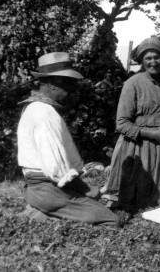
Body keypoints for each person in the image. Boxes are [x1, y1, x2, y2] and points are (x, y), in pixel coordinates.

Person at [17, 52, 120, 226]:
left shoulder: (35, 108)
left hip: (38, 188)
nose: (72, 90)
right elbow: (56, 168)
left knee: (90, 205)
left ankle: (45, 210)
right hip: (47, 190)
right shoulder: (45, 113)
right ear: (53, 85)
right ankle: (42, 215)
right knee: (111, 220)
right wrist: (87, 190)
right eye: (69, 84)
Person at [102, 36, 160, 212]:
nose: (153, 62)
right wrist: (154, 134)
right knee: (139, 201)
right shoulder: (132, 84)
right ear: (142, 61)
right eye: (148, 58)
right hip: (138, 148)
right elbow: (122, 124)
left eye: (157, 58)